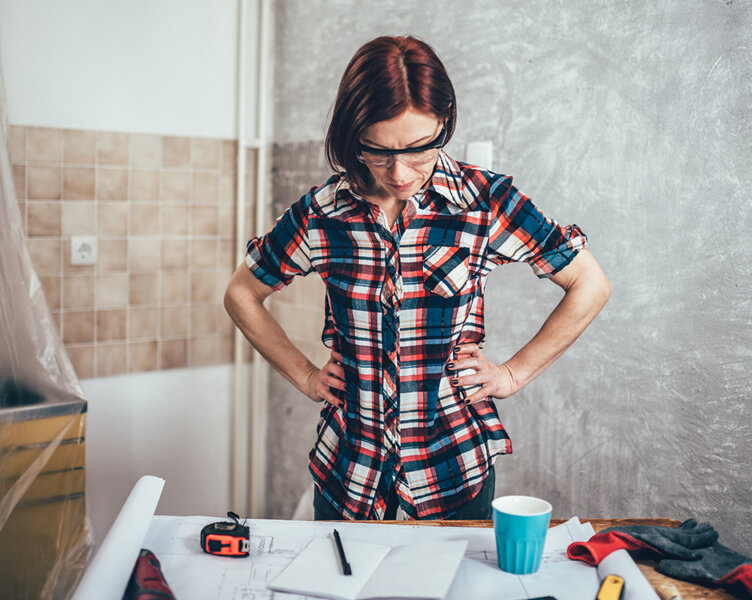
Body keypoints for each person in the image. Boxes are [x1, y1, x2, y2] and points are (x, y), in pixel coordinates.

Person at [224, 35, 612, 521]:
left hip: (453, 472)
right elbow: (242, 292)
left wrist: (513, 373)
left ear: (443, 124)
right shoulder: (321, 215)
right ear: (353, 136)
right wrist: (304, 375)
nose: (400, 172)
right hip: (349, 475)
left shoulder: (484, 203)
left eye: (418, 149)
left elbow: (590, 284)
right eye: (378, 151)